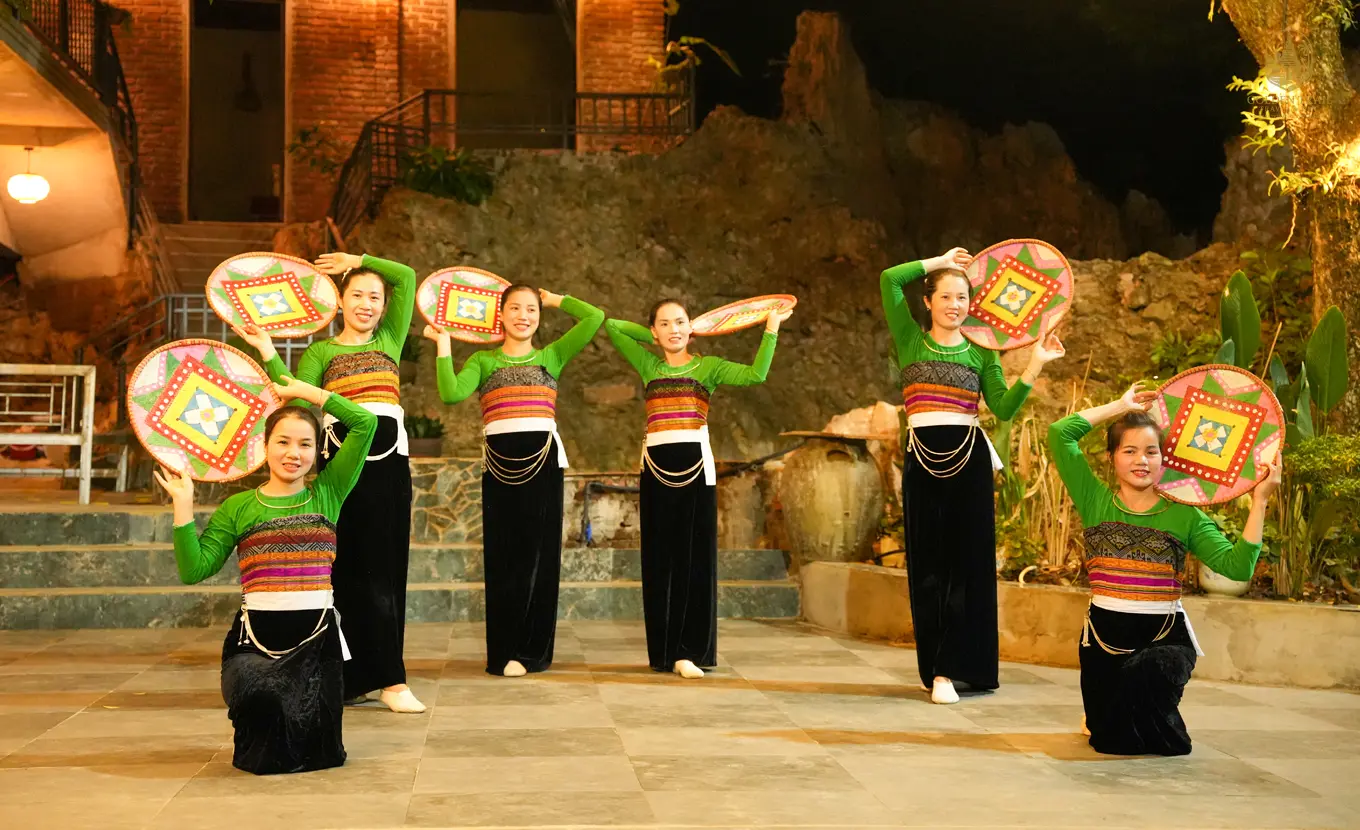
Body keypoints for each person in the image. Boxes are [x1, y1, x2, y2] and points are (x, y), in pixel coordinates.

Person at [156, 376, 377, 774]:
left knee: (320, 754)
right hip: (256, 640)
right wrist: (183, 507)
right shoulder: (238, 506)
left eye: (305, 444)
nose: (294, 453)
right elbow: (195, 569)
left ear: (317, 451)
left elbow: (366, 423)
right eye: (283, 441)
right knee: (263, 739)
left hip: (317, 641)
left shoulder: (328, 491)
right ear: (264, 446)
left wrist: (308, 394)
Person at [1049, 383, 1280, 755]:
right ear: (1111, 457)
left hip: (1163, 639)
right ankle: (1107, 714)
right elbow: (1060, 433)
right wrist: (1119, 406)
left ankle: (1140, 706)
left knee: (1162, 715)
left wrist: (1260, 501)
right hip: (1104, 642)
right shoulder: (1094, 500)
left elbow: (1237, 568)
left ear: (1164, 460)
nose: (1141, 460)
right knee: (1112, 742)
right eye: (1129, 451)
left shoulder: (1184, 515)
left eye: (1151, 451)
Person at [239, 251, 425, 713]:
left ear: (384, 306)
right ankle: (352, 679)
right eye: (357, 295)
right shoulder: (321, 352)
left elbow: (406, 274)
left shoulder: (389, 339)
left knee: (385, 569)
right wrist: (267, 350)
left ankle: (392, 679)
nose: (367, 304)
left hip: (388, 466)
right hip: (340, 464)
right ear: (340, 302)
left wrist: (359, 259)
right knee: (345, 570)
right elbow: (294, 399)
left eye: (375, 297)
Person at [880, 247, 1065, 704]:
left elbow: (1002, 408)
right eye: (945, 296)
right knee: (927, 566)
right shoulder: (910, 338)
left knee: (968, 565)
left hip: (969, 461)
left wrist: (1035, 363)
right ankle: (934, 667)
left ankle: (956, 669)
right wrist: (938, 260)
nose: (954, 305)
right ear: (928, 302)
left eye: (962, 297)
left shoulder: (983, 351)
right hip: (922, 461)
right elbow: (889, 279)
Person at [605, 300, 792, 678]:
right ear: (654, 331)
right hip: (655, 470)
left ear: (692, 327)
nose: (673, 329)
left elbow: (756, 374)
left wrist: (771, 328)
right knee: (659, 561)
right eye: (664, 324)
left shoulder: (709, 366)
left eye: (680, 322)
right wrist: (655, 338)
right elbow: (612, 326)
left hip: (695, 469)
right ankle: (664, 652)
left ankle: (690, 652)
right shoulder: (649, 365)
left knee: (693, 560)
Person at [427, 285, 603, 676]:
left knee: (541, 555)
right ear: (501, 315)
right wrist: (443, 346)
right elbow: (451, 393)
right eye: (515, 308)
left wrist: (556, 299)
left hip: (543, 462)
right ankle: (504, 652)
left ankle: (533, 652)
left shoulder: (552, 355)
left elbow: (594, 317)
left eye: (532, 309)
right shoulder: (483, 360)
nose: (524, 316)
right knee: (503, 556)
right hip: (499, 463)